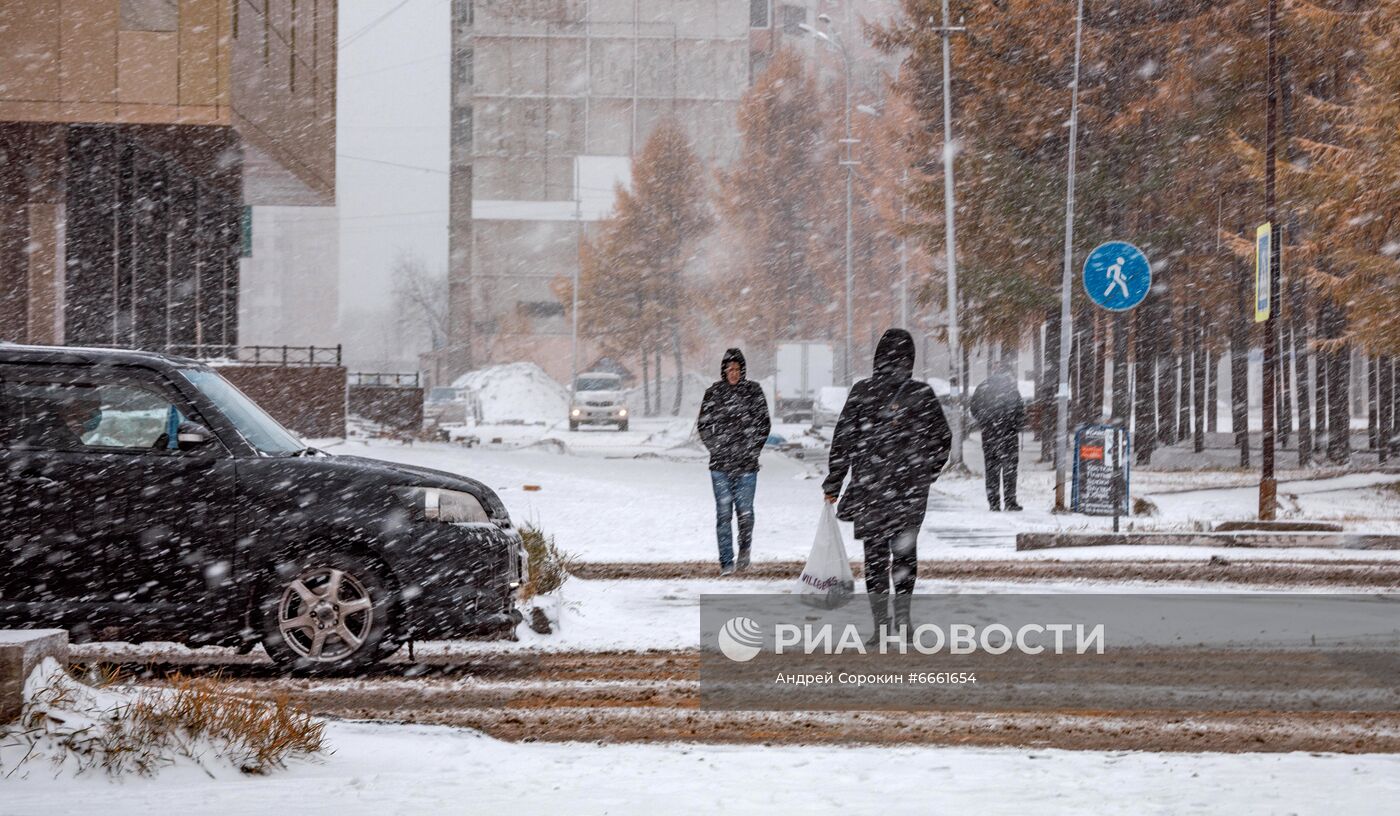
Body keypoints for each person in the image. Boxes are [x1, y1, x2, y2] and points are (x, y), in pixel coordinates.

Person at [823, 329, 951, 639]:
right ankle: (904, 622)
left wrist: (834, 481)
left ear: (878, 356)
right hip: (909, 492)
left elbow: (843, 440)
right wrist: (924, 475)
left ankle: (880, 625)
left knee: (875, 559)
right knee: (905, 555)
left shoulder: (862, 392)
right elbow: (943, 440)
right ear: (910, 359)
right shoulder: (922, 395)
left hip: (871, 489)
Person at [696, 348, 771, 576]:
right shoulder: (714, 393)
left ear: (743, 370)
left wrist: (752, 449)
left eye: (737, 369)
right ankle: (726, 562)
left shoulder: (753, 392)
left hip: (747, 466)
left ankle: (744, 552)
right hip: (720, 466)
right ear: (723, 370)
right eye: (730, 369)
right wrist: (716, 447)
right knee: (723, 514)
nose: (733, 373)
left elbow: (764, 424)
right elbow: (703, 425)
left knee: (745, 513)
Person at [970, 363, 1025, 512]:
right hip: (1008, 434)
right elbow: (1020, 409)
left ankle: (993, 502)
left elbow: (973, 408)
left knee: (991, 468)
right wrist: (1016, 424)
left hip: (989, 434)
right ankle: (1010, 501)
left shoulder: (983, 386)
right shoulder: (1011, 387)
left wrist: (985, 421)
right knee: (1010, 468)